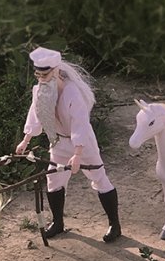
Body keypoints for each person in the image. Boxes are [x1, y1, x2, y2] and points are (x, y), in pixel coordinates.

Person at [15, 47, 122, 243]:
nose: (40, 78)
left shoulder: (72, 92)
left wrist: (78, 154)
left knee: (99, 178)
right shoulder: (40, 90)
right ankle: (57, 222)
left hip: (83, 144)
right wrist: (26, 139)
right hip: (58, 142)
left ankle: (114, 224)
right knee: (53, 180)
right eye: (37, 74)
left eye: (44, 74)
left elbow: (80, 123)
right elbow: (35, 114)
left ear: (55, 70)